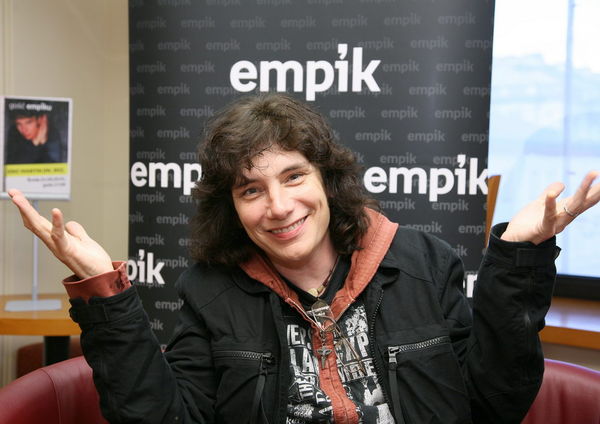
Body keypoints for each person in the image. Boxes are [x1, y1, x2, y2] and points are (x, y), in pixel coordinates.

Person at [8, 93, 600, 424]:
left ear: (327, 179)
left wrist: (518, 259)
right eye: (251, 189)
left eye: (294, 176)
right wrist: (104, 291)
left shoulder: (422, 261)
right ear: (231, 208)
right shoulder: (209, 290)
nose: (279, 206)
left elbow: (493, 403)